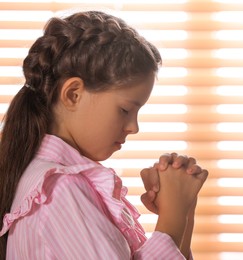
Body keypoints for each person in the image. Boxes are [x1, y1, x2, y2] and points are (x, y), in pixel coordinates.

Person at [0, 11, 208, 259]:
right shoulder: (60, 190)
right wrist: (171, 218)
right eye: (125, 110)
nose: (133, 127)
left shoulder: (57, 182)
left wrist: (183, 208)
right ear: (73, 94)